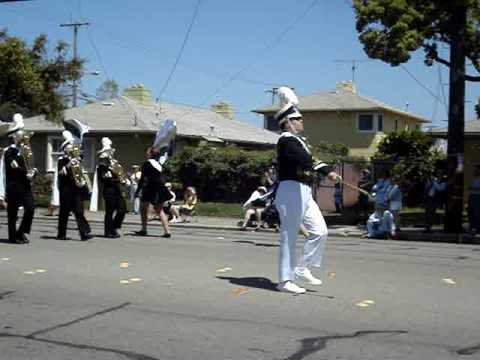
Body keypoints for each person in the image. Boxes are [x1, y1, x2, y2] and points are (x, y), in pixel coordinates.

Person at [273, 87, 341, 294]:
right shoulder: (286, 140)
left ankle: (301, 268)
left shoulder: (299, 141)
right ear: (288, 122)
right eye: (299, 119)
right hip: (290, 190)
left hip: (304, 191)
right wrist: (326, 171)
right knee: (290, 235)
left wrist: (326, 170)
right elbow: (304, 160)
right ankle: (284, 281)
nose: (302, 122)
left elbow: (309, 159)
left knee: (320, 231)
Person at [0, 114, 36, 244]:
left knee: (31, 208)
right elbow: (13, 166)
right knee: (12, 214)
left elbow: (31, 165)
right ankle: (13, 236)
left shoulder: (27, 150)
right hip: (13, 186)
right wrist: (20, 153)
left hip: (25, 185)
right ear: (13, 137)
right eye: (20, 134)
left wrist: (33, 172)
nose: (22, 137)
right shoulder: (9, 151)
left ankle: (20, 232)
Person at [56, 130, 93, 241]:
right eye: (69, 146)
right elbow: (61, 173)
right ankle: (61, 234)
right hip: (66, 189)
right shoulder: (61, 160)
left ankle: (84, 233)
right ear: (65, 149)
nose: (71, 148)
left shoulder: (77, 160)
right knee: (64, 212)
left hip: (76, 189)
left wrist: (82, 180)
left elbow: (79, 172)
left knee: (79, 211)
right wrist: (69, 164)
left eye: (72, 146)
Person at [134, 146, 173, 238]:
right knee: (159, 210)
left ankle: (144, 229)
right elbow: (163, 177)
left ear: (151, 154)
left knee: (143, 208)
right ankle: (167, 231)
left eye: (148, 152)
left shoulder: (146, 164)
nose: (146, 153)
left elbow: (143, 179)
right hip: (160, 187)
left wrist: (138, 191)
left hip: (150, 188)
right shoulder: (159, 164)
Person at [94, 137, 128, 238]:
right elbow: (104, 180)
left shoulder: (114, 164)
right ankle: (108, 232)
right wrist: (117, 179)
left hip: (116, 189)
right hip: (109, 190)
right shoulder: (102, 166)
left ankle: (113, 227)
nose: (110, 154)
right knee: (109, 211)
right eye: (108, 152)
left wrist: (124, 179)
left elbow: (121, 174)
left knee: (122, 208)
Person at [467, 165, 480, 235]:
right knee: (471, 213)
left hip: (477, 197)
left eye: (476, 170)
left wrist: (472, 188)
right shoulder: (474, 179)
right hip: (472, 197)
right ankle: (472, 228)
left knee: (476, 214)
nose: (474, 171)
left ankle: (477, 229)